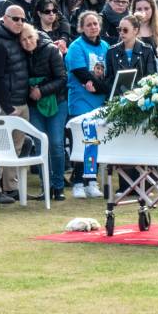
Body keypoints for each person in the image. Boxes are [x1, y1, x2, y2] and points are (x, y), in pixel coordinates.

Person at [0, 5, 32, 200]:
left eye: (22, 19)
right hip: (4, 104)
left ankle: (11, 187)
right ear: (5, 18)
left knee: (16, 147)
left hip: (20, 100)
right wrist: (8, 107)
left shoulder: (17, 38)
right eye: (15, 19)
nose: (20, 22)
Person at [20, 24, 68, 201]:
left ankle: (58, 186)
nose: (27, 42)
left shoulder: (51, 51)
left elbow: (62, 78)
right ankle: (45, 186)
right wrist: (30, 92)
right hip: (33, 105)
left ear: (36, 36)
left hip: (57, 101)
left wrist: (42, 90)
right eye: (23, 40)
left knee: (56, 143)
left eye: (29, 38)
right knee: (41, 144)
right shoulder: (20, 54)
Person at [65, 11, 108, 198]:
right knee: (82, 141)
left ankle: (91, 180)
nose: (93, 27)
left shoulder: (105, 46)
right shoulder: (76, 47)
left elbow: (108, 72)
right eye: (88, 24)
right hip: (81, 101)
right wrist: (103, 88)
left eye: (95, 24)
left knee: (95, 142)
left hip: (99, 101)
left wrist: (101, 89)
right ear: (82, 27)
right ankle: (77, 182)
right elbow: (82, 73)